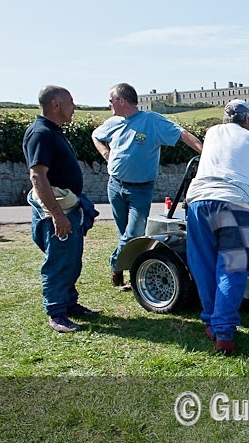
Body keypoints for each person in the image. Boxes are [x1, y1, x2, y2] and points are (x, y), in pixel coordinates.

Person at [185, 99, 249, 355]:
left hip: (198, 202)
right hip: (233, 204)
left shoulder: (211, 133)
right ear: (247, 119)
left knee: (204, 265)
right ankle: (225, 333)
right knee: (231, 268)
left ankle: (211, 322)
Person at [92, 83, 203, 289]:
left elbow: (182, 134)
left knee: (133, 233)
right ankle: (128, 272)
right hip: (115, 186)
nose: (109, 105)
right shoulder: (113, 122)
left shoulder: (151, 121)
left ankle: (116, 266)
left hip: (140, 189)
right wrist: (105, 153)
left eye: (111, 101)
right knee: (123, 232)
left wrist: (205, 153)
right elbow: (96, 136)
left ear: (121, 101)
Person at [23, 85, 100, 333]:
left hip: (68, 207)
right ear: (55, 104)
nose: (74, 107)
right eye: (70, 102)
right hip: (57, 211)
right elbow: (38, 176)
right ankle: (57, 313)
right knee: (58, 261)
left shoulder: (52, 131)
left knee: (70, 259)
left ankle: (69, 304)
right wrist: (57, 215)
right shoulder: (41, 133)